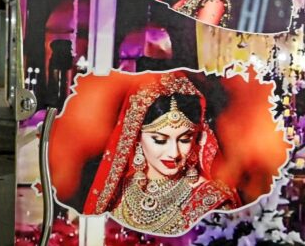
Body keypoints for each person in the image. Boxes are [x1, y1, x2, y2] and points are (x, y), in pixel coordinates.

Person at [81, 73, 239, 235]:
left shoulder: (211, 201)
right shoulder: (116, 192)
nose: (173, 153)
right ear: (136, 137)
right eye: (160, 140)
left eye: (184, 139)